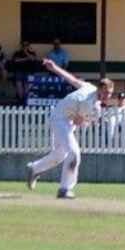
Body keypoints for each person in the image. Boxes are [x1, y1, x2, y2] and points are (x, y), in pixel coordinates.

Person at [25, 59, 111, 200]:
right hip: (61, 120)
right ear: (100, 89)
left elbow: (72, 79)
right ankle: (65, 189)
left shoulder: (89, 87)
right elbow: (79, 121)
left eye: (110, 93)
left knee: (60, 155)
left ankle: (34, 168)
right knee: (74, 153)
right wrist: (92, 119)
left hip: (63, 119)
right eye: (106, 93)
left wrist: (54, 68)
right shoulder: (88, 102)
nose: (108, 96)